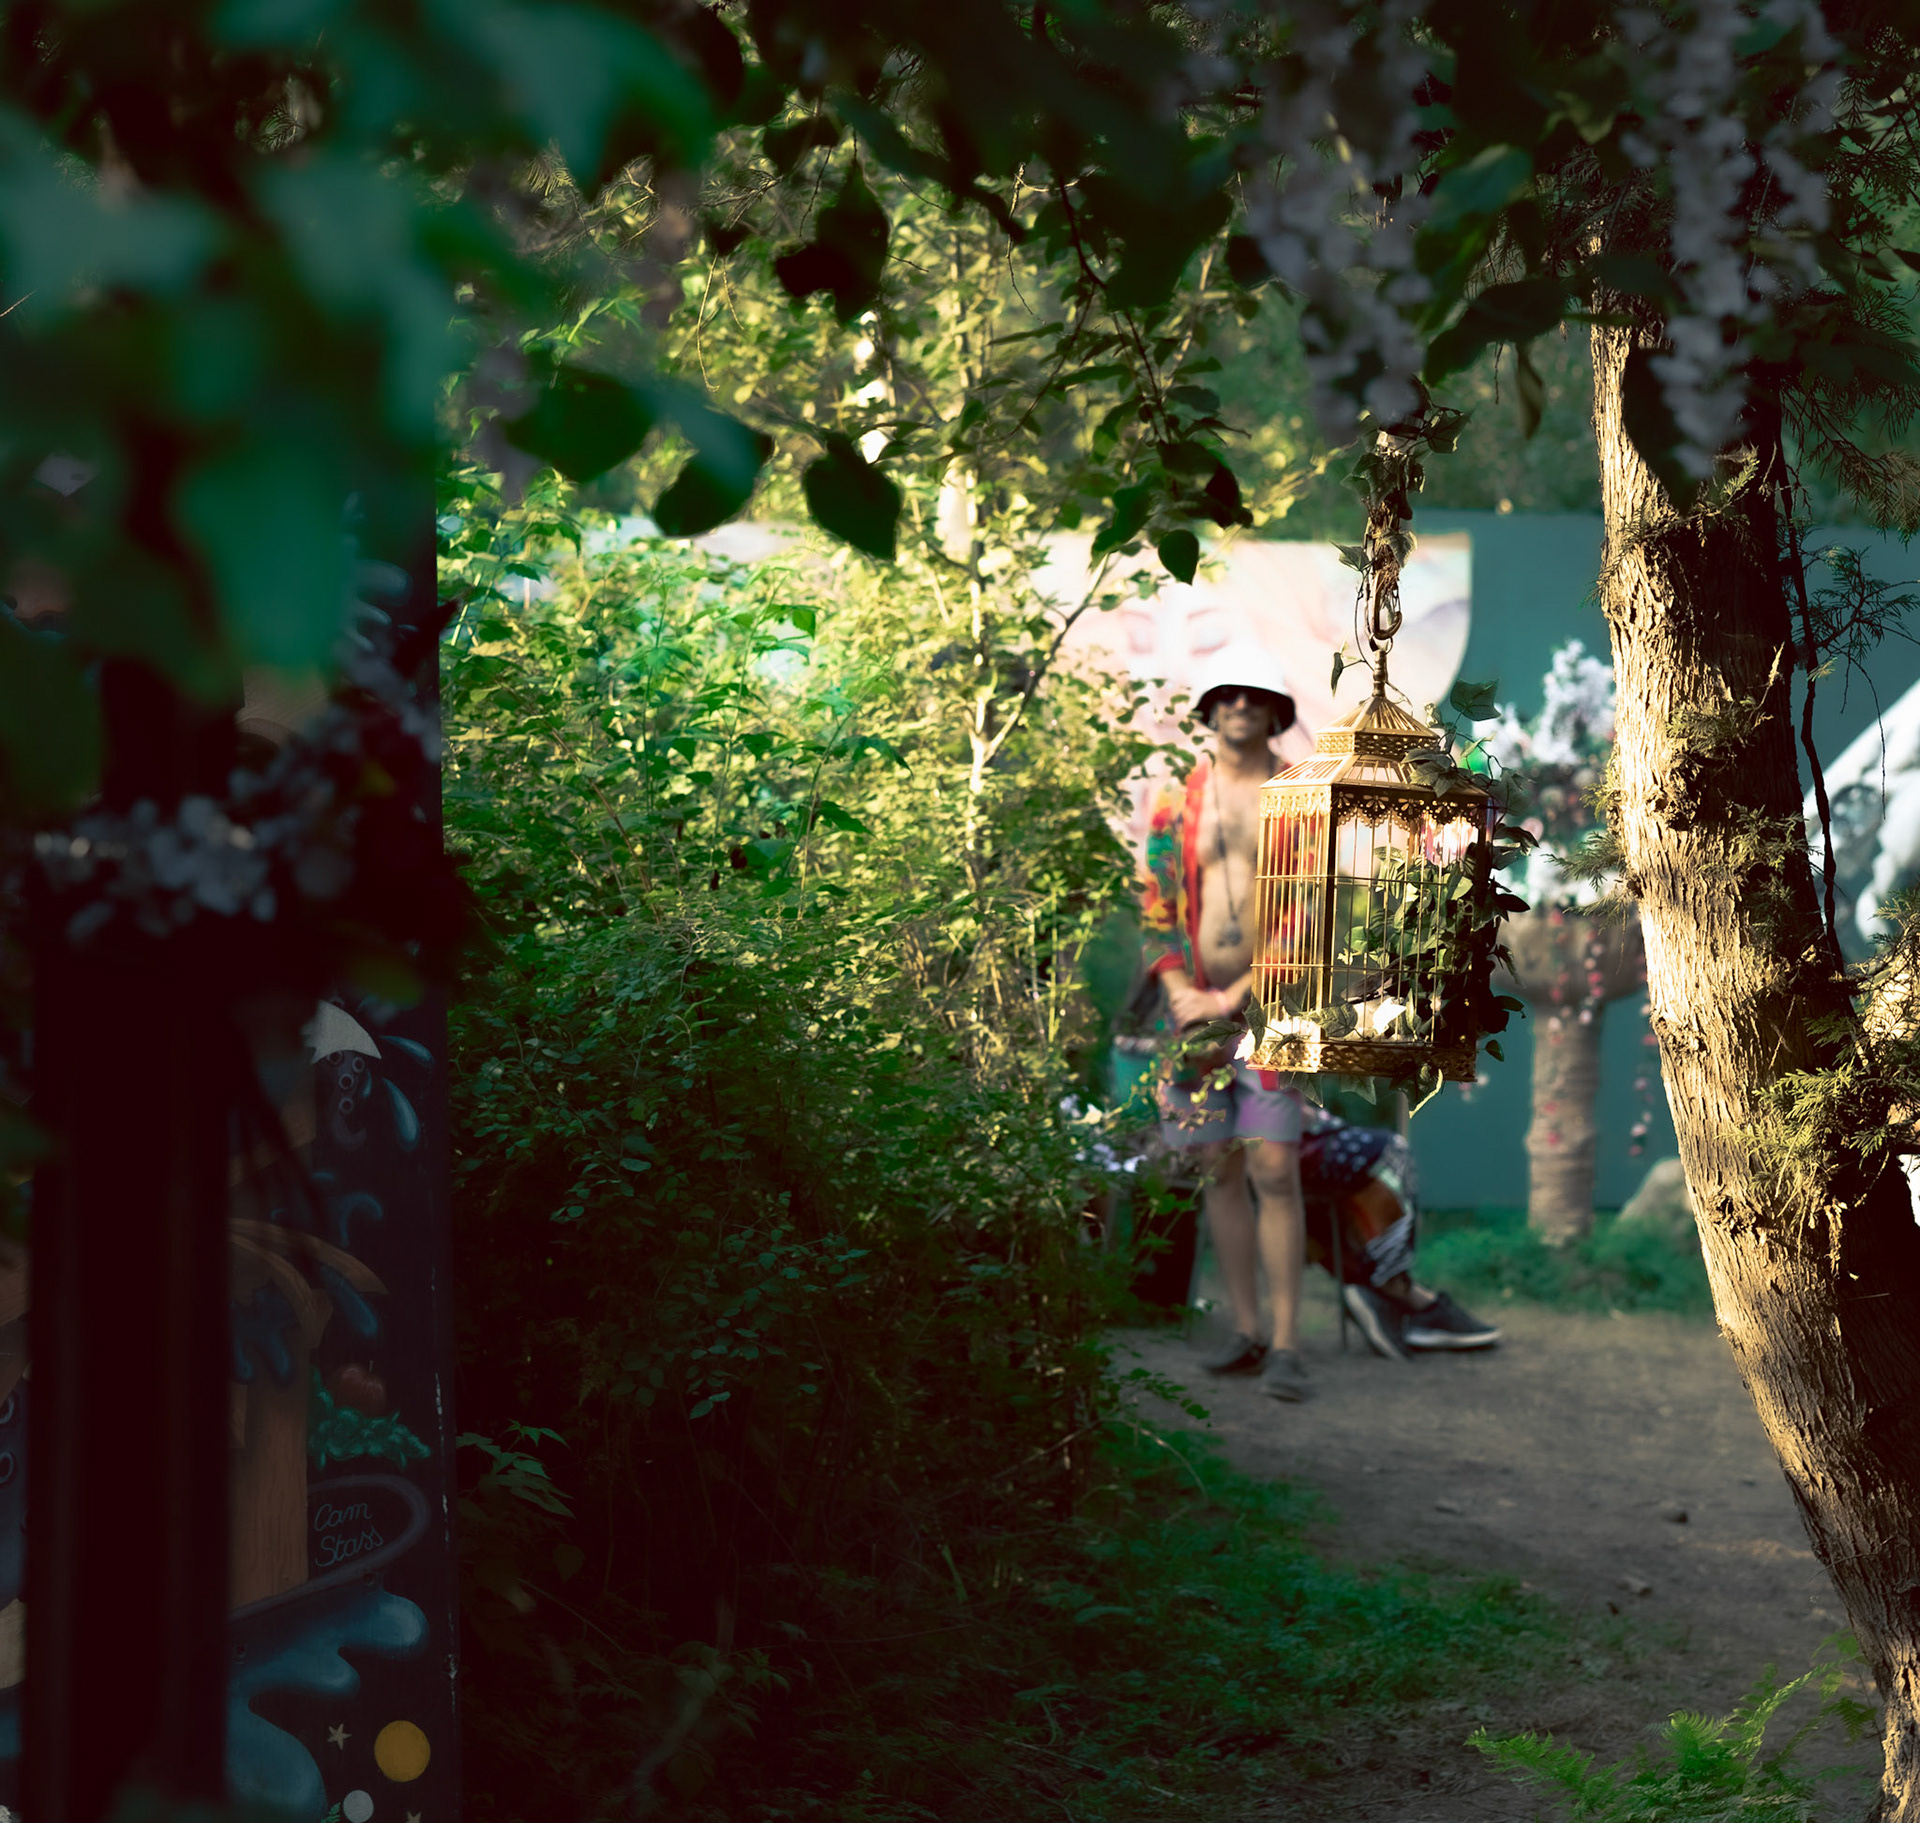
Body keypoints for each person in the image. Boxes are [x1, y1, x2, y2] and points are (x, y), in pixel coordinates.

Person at [1141, 641, 1315, 1399]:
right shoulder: (1176, 799)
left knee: (1274, 1167)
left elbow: (1309, 907)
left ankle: (1287, 1345)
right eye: (1228, 694)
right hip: (1191, 1010)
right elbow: (1156, 901)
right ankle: (1245, 1331)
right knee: (1217, 1164)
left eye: (1255, 694)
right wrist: (1183, 989)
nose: (1241, 704)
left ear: (1276, 712)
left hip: (1276, 1008)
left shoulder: (1301, 793)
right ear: (1210, 710)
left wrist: (1235, 994)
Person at [1297, 1106, 1501, 1359]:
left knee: (1314, 1203)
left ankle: (1377, 1288)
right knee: (1391, 1151)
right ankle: (1391, 1286)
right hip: (1282, 1141)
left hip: (1276, 1145)